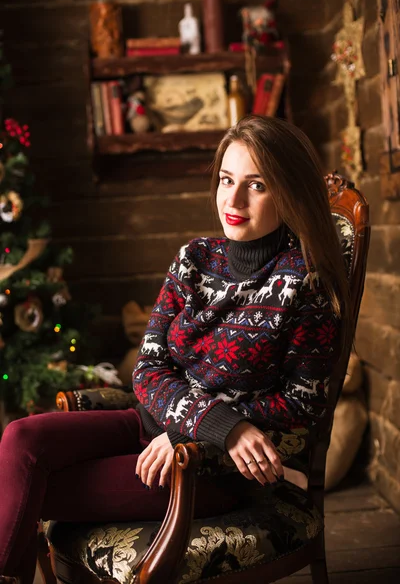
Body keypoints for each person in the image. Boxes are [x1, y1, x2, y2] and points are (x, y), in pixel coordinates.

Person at [0, 116, 350, 583]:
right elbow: (147, 369)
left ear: (288, 192)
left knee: (21, 490)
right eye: (227, 180)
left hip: (211, 470)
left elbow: (301, 401)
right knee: (21, 440)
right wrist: (198, 421)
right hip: (148, 426)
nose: (233, 200)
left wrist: (207, 433)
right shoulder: (194, 258)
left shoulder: (303, 284)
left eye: (257, 186)